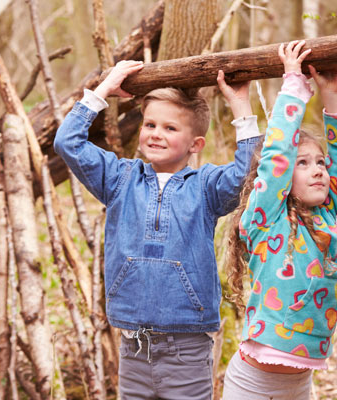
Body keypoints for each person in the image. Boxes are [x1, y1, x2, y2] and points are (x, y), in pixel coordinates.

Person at [53, 60, 262, 399]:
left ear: (195, 144)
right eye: (150, 124)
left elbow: (249, 174)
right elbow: (68, 143)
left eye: (169, 128)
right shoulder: (119, 178)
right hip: (134, 345)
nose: (155, 133)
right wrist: (104, 89)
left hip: (188, 347)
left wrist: (240, 105)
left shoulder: (205, 187)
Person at [222, 40, 337, 399]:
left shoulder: (328, 217)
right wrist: (294, 86)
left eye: (320, 163)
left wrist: (331, 94)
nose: (318, 171)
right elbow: (277, 154)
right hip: (252, 384)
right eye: (303, 163)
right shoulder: (266, 221)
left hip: (299, 386)